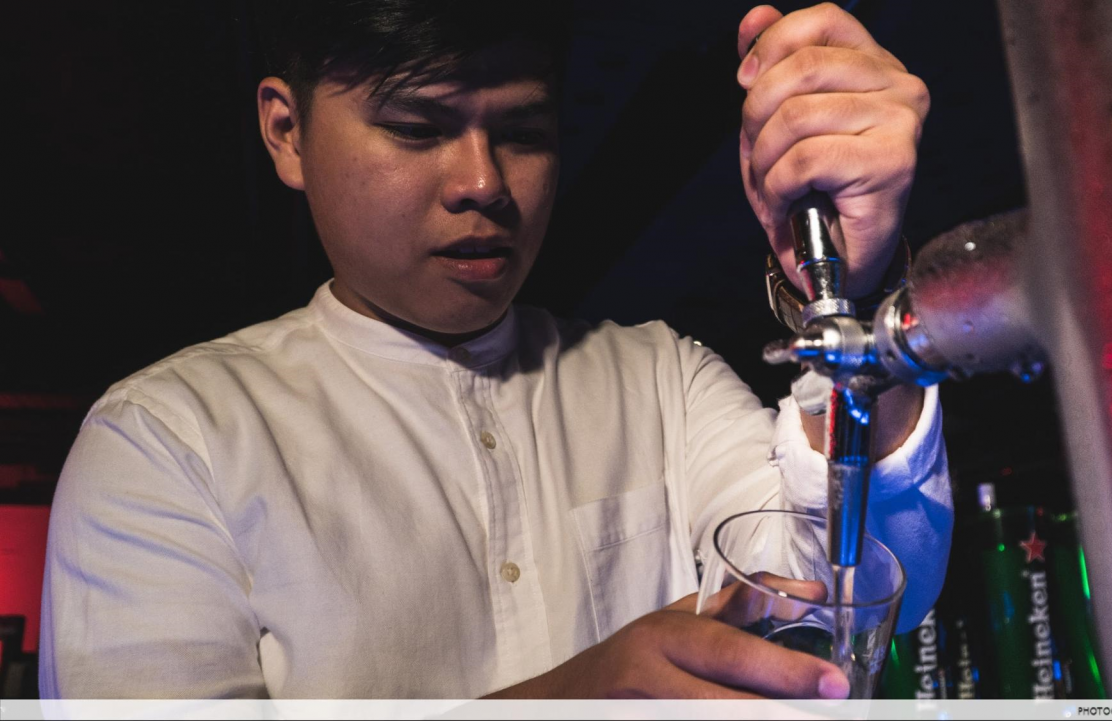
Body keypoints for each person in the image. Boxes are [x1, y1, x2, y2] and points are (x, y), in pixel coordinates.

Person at [39, 0, 951, 699]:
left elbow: (855, 593)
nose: (483, 182)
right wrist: (572, 700)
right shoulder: (168, 439)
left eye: (522, 134)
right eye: (418, 128)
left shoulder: (660, 378)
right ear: (287, 133)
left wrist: (855, 289)